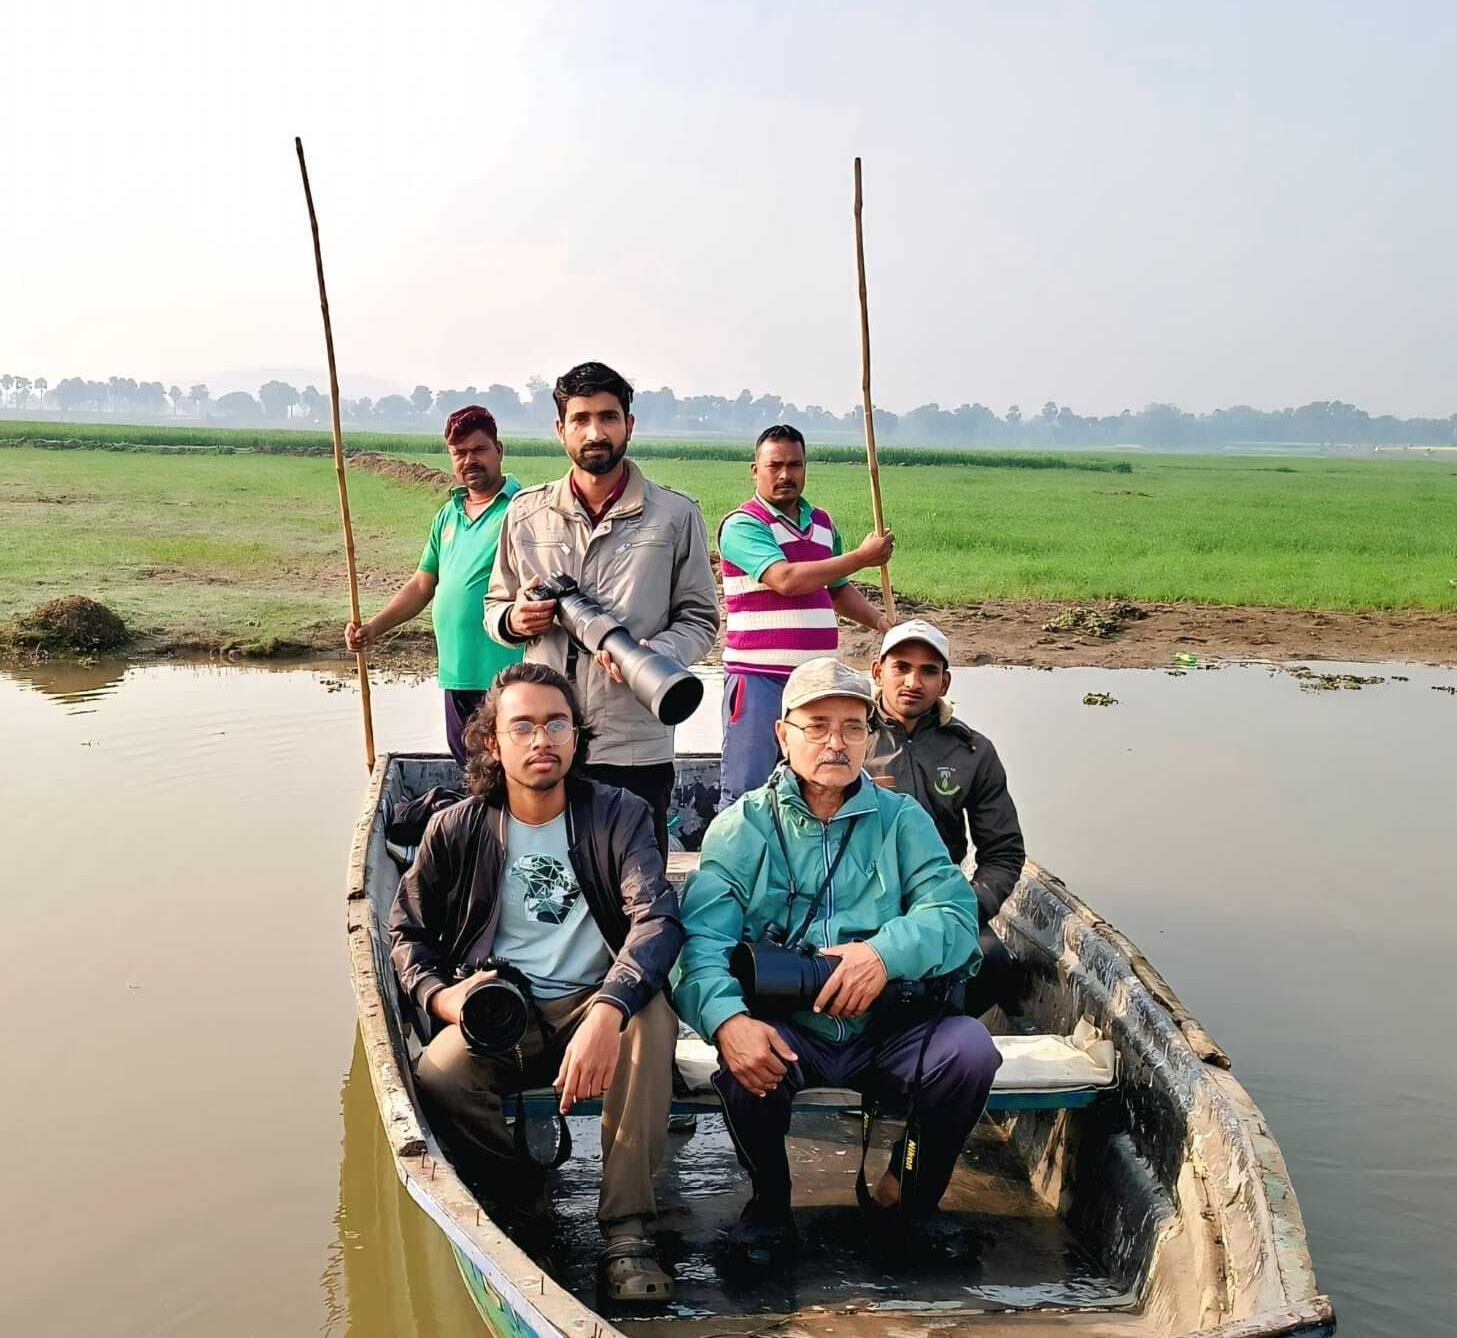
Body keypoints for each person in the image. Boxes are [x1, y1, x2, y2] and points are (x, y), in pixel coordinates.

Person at [673, 657, 1000, 1261]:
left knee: (971, 1051)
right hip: (793, 1029)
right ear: (782, 734)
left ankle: (918, 1205)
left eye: (853, 727)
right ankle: (769, 1204)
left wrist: (882, 954)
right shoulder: (742, 826)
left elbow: (955, 917)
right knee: (744, 1055)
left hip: (889, 1025)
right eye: (817, 725)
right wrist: (726, 1021)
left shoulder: (902, 819)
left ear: (869, 737)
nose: (835, 742)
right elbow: (700, 946)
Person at [390, 662, 682, 1302]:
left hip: (593, 1002)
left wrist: (609, 1008)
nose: (541, 740)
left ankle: (627, 1232)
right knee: (437, 1076)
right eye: (522, 726)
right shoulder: (457, 827)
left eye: (556, 724)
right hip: (503, 1011)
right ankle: (524, 1204)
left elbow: (656, 917)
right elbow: (407, 932)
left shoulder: (619, 815)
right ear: (493, 741)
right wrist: (441, 996)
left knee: (652, 1015)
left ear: (577, 736)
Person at [483, 361, 720, 853]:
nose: (596, 431)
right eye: (581, 418)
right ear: (560, 429)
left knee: (634, 886)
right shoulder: (526, 512)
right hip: (544, 744)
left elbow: (700, 618)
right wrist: (515, 619)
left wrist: (655, 652)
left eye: (609, 417)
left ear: (629, 425)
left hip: (636, 738)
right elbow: (495, 605)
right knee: (545, 880)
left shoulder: (675, 514)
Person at [717, 424, 894, 806]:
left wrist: (883, 624)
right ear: (755, 470)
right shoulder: (742, 524)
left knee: (815, 785)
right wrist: (863, 557)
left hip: (815, 683)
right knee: (749, 788)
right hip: (759, 679)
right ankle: (738, 863)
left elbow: (838, 589)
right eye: (774, 465)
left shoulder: (823, 524)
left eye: (794, 465)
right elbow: (786, 580)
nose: (785, 475)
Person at [865, 620, 1027, 1018]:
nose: (912, 682)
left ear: (945, 683)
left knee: (991, 963)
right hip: (858, 896)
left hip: (938, 898)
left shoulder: (973, 751)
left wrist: (968, 906)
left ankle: (938, 1035)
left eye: (928, 671)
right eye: (901, 667)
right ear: (877, 672)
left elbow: (1003, 852)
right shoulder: (849, 736)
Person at [346, 405, 522, 763]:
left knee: (509, 773)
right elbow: (423, 584)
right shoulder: (448, 515)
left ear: (498, 451)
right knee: (470, 773)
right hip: (456, 675)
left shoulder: (521, 510)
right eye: (459, 453)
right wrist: (374, 628)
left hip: (507, 678)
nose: (469, 460)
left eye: (478, 450)